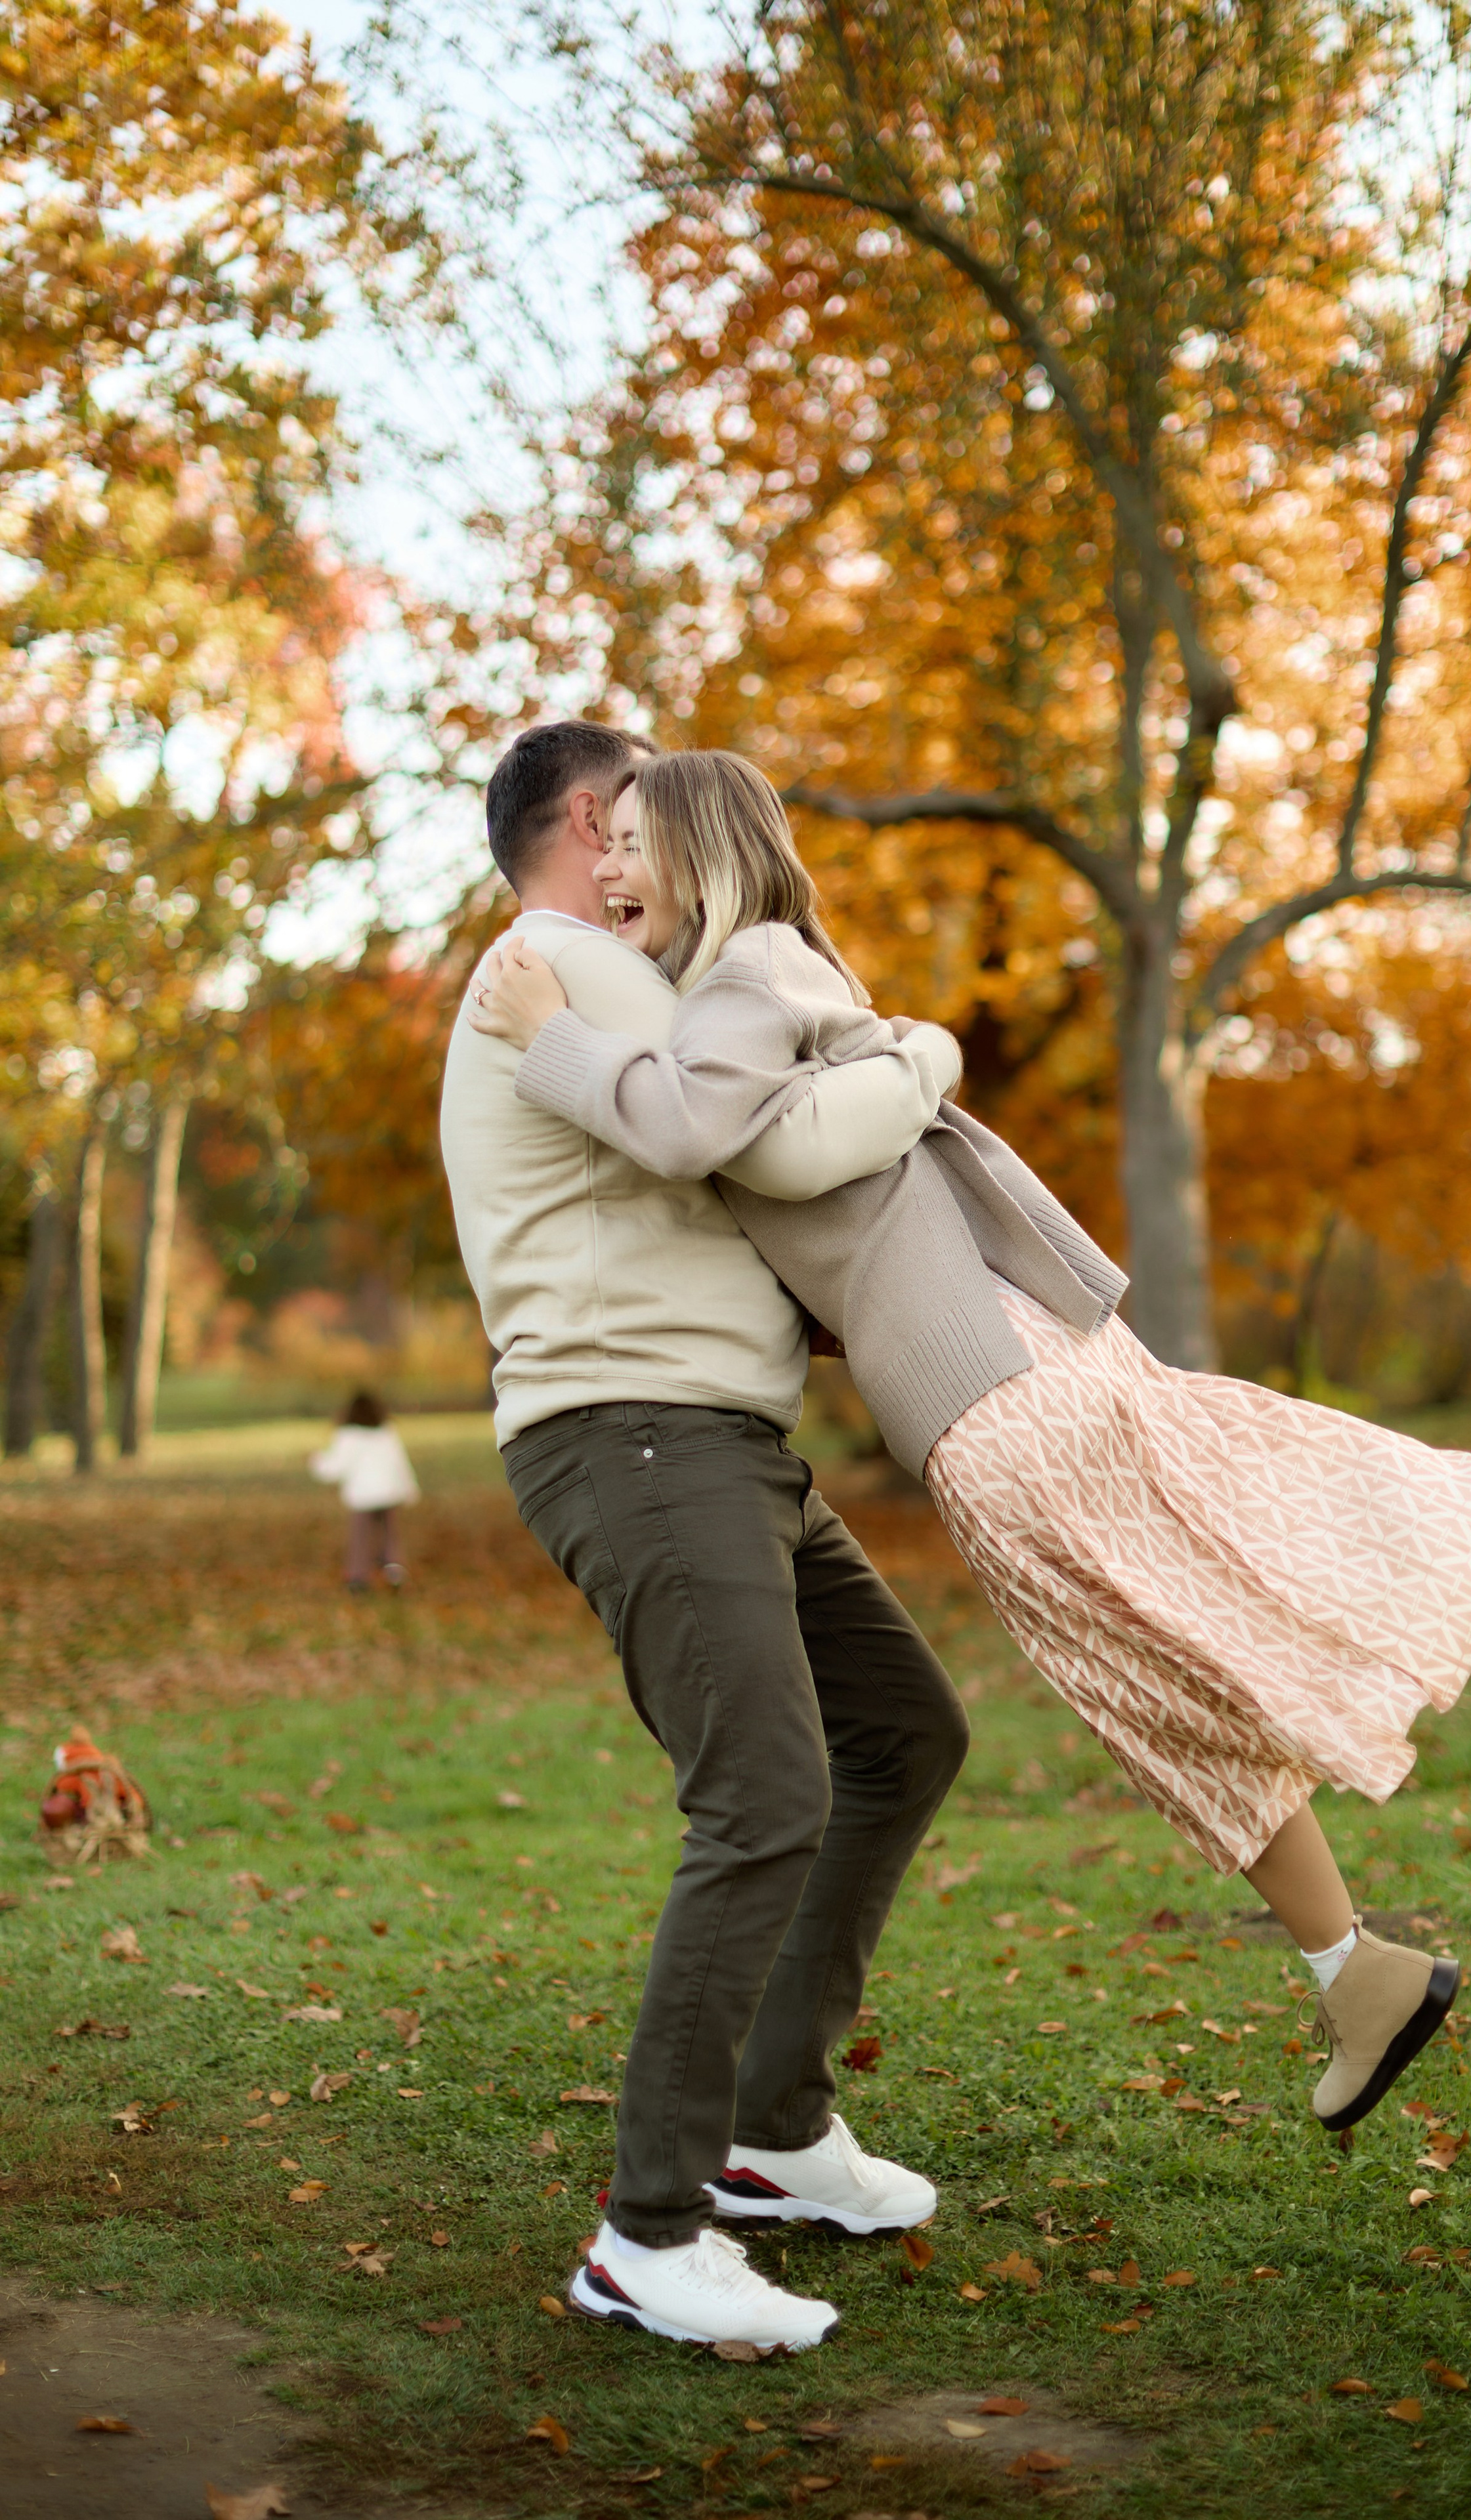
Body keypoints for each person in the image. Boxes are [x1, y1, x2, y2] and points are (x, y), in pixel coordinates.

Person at [472, 745, 1471, 2141]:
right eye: (599, 843)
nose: (609, 868)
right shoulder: (786, 973)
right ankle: (1360, 1969)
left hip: (984, 1399)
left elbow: (686, 1132)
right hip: (1010, 1361)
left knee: (1172, 1648)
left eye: (632, 840)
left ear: (704, 846)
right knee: (1190, 1635)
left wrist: (550, 1032)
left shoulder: (739, 984)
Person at [440, 719, 973, 2354]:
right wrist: (924, 1048)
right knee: (763, 1794)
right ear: (599, 818)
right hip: (638, 1435)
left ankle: (773, 2129)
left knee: (899, 1730)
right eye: (639, 816)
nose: (639, 868)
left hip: (711, 1437)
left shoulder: (595, 980)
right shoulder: (563, 967)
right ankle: (647, 2231)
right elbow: (779, 1129)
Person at [309, 1391, 419, 1591]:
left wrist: (316, 1462)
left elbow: (335, 1468)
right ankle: (394, 1572)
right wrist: (410, 1489)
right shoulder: (387, 1433)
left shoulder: (347, 1437)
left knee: (360, 1537)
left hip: (362, 1496)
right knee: (389, 1536)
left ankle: (358, 1576)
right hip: (389, 1493)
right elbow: (400, 1463)